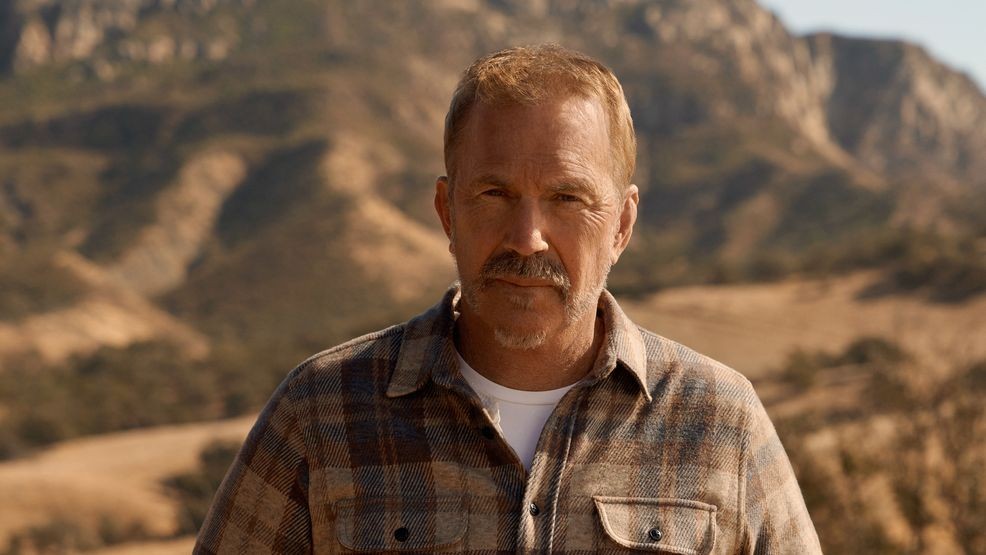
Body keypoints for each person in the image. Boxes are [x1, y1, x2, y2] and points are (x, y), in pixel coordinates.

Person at [195, 44, 821, 554]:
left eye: (567, 198)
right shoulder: (321, 413)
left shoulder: (721, 423)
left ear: (622, 225)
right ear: (447, 212)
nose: (527, 238)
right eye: (494, 194)